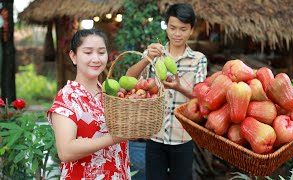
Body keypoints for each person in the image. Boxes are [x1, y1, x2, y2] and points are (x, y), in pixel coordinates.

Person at [126, 3, 208, 180]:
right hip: (155, 135)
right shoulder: (155, 54)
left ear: (191, 30)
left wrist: (179, 87)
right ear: (166, 27)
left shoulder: (198, 60)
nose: (177, 34)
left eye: (183, 29)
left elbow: (202, 97)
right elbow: (129, 79)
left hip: (183, 137)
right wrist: (147, 58)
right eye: (172, 28)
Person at [47, 29, 131, 180]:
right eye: (88, 52)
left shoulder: (110, 94)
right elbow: (65, 151)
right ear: (73, 56)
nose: (96, 59)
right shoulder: (67, 97)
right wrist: (114, 138)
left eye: (101, 52)